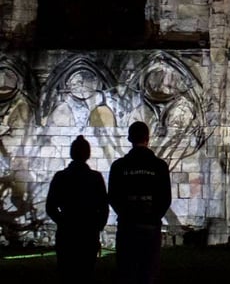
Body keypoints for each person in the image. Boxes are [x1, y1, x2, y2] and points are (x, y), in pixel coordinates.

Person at [108, 121, 171, 284]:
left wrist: (126, 213)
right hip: (150, 227)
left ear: (129, 138)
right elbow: (165, 198)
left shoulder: (119, 166)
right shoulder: (160, 166)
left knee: (127, 272)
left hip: (127, 226)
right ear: (147, 139)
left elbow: (113, 197)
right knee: (148, 273)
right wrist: (153, 216)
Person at [46, 134, 109, 284]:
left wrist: (63, 221)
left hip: (67, 233)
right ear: (88, 154)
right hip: (88, 233)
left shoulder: (61, 177)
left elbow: (50, 207)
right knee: (85, 273)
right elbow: (104, 208)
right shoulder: (95, 178)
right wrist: (96, 227)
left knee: (66, 274)